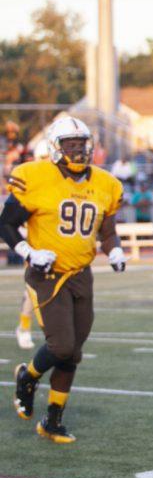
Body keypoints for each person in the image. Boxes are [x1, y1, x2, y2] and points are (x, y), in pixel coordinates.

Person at [1, 117, 126, 443]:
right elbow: (6, 223)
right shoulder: (36, 176)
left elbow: (108, 231)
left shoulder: (106, 183)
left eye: (81, 143)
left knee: (73, 354)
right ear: (56, 148)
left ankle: (52, 421)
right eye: (70, 144)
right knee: (61, 345)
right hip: (47, 274)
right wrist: (29, 251)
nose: (77, 149)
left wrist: (114, 250)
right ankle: (27, 377)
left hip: (81, 275)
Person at [13, 139, 50, 350]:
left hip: (57, 244)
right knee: (32, 289)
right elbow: (12, 220)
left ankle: (54, 331)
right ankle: (24, 328)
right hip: (35, 242)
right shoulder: (29, 183)